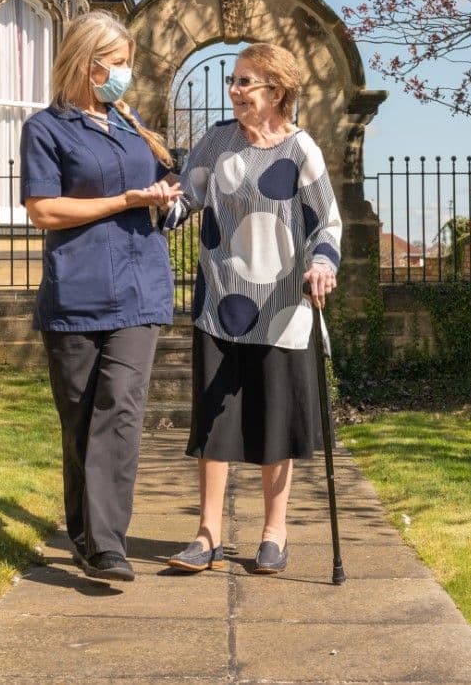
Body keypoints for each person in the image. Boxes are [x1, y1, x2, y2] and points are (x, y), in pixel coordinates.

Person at [163, 42, 340, 575]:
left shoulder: (300, 150)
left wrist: (323, 264)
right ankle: (208, 534)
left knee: (273, 422)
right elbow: (184, 200)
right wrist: (156, 202)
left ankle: (273, 533)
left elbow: (326, 223)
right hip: (222, 302)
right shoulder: (216, 141)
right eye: (234, 82)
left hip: (285, 308)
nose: (234, 90)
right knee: (216, 425)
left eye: (245, 82)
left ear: (276, 91)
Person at [20, 11, 182, 582]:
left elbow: (161, 196)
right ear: (84, 63)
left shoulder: (132, 124)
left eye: (126, 63)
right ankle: (86, 537)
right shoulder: (46, 129)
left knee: (120, 408)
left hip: (141, 289)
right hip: (77, 294)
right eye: (114, 63)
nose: (123, 73)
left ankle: (107, 544)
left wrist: (163, 200)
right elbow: (43, 210)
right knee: (81, 419)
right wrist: (123, 201)